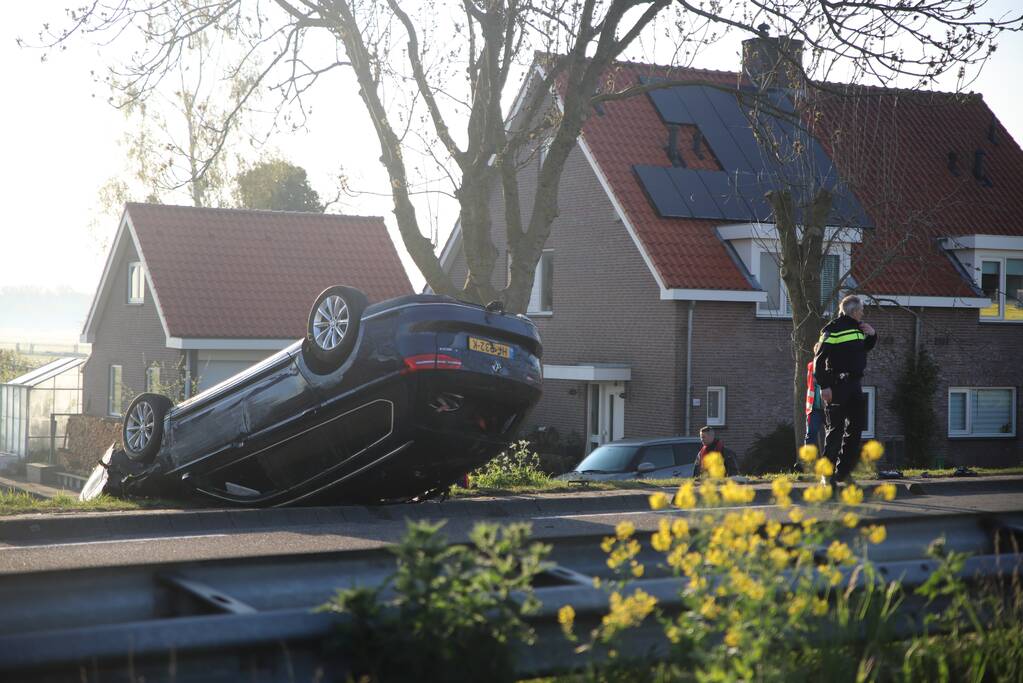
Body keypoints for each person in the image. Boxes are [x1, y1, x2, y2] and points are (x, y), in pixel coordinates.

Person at [813, 294, 878, 484]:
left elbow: (862, 350)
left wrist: (873, 335)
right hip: (837, 385)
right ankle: (827, 474)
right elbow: (819, 359)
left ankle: (844, 472)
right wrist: (824, 386)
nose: (863, 313)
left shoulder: (859, 328)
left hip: (855, 385)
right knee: (835, 430)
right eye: (861, 310)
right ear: (854, 311)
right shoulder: (832, 329)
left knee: (855, 430)